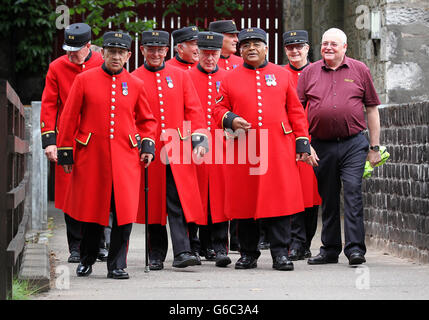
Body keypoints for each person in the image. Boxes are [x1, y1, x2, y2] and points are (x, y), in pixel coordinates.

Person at [57, 31, 157, 279]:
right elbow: (69, 117)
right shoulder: (84, 80)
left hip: (126, 158)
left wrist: (147, 146)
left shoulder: (135, 84)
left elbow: (147, 120)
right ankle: (88, 257)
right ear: (103, 53)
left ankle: (117, 264)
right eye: (111, 52)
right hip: (92, 156)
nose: (116, 56)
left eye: (120, 52)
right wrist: (66, 153)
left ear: (128, 56)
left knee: (123, 213)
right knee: (92, 210)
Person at [213, 28, 311, 271]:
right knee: (244, 202)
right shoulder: (229, 78)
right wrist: (231, 119)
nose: (251, 48)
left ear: (266, 47)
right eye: (246, 45)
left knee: (279, 201)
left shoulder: (281, 74)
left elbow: (296, 111)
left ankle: (280, 253)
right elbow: (217, 110)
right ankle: (248, 253)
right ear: (241, 50)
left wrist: (302, 141)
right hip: (244, 148)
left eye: (257, 43)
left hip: (278, 146)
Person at [297, 28, 381, 266]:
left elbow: (372, 109)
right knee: (329, 196)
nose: (329, 48)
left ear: (345, 47)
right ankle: (330, 249)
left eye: (334, 44)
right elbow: (296, 112)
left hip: (353, 143)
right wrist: (304, 144)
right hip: (320, 144)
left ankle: (355, 249)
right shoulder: (309, 72)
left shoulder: (360, 70)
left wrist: (374, 147)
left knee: (353, 191)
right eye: (325, 44)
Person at [132, 30, 208, 270]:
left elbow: (193, 109)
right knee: (153, 202)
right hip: (149, 149)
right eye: (150, 49)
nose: (156, 53)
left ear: (167, 50)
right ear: (142, 50)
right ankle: (155, 254)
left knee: (178, 200)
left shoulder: (180, 76)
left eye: (160, 49)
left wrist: (199, 139)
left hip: (178, 148)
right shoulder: (133, 78)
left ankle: (183, 251)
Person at [40, 23, 106, 263]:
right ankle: (76, 247)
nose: (70, 55)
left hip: (97, 138)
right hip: (68, 139)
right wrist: (50, 141)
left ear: (88, 46)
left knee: (99, 191)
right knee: (71, 194)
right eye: (67, 49)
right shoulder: (57, 67)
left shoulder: (103, 62)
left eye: (75, 50)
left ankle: (99, 244)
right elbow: (49, 104)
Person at [188, 31, 232, 267]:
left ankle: (218, 247)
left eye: (214, 53)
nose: (210, 58)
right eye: (205, 53)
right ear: (198, 53)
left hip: (221, 145)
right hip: (193, 144)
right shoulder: (186, 77)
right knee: (195, 196)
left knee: (219, 197)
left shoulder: (228, 77)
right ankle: (194, 247)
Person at [283, 30, 322, 260]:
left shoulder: (319, 71)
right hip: (290, 140)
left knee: (313, 195)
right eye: (290, 47)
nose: (295, 51)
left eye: (299, 46)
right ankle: (295, 242)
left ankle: (306, 240)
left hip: (316, 139)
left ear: (308, 48)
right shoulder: (279, 74)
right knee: (293, 192)